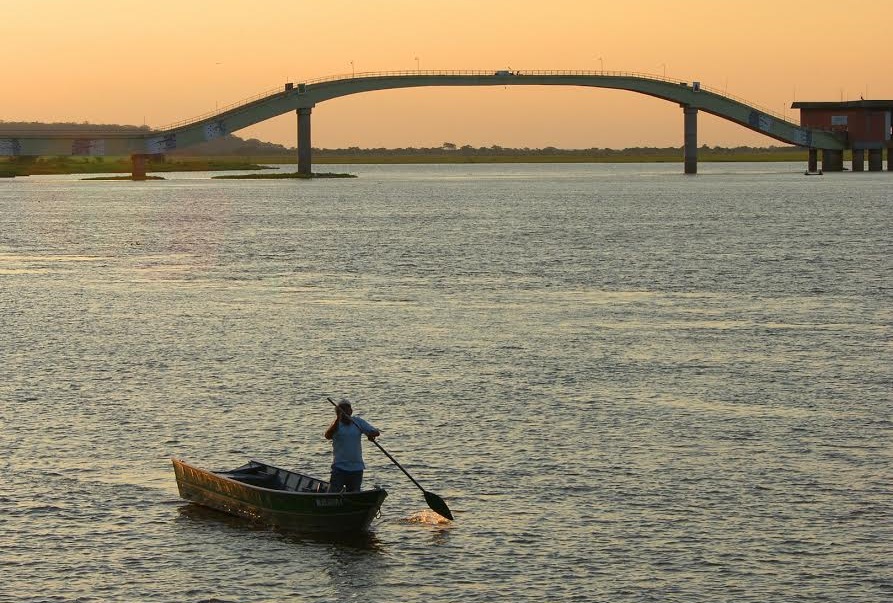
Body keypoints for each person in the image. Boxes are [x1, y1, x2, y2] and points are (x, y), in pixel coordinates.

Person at [324, 399, 380, 492]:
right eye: (343, 412)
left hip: (356, 468)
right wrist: (338, 418)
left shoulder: (357, 422)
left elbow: (375, 432)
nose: (346, 414)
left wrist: (372, 435)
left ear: (351, 411)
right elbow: (328, 436)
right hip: (339, 467)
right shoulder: (336, 425)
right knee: (333, 493)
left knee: (354, 492)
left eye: (348, 411)